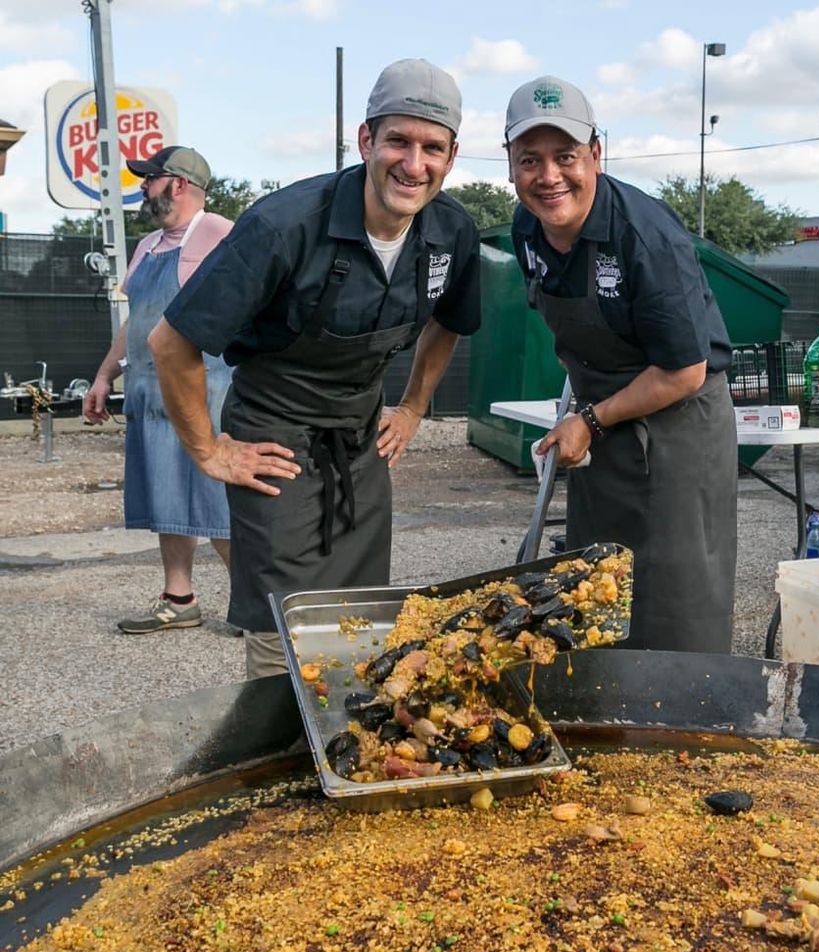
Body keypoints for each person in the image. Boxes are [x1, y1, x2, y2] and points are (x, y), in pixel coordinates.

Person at [148, 59, 481, 678]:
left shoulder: (450, 230)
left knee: (361, 613)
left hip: (358, 438)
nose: (414, 164)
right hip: (273, 436)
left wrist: (411, 407)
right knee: (287, 619)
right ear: (366, 140)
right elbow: (171, 343)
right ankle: (280, 746)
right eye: (398, 141)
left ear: (451, 155)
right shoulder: (283, 226)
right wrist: (209, 452)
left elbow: (452, 320)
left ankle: (344, 746)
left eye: (432, 147)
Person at [504, 76, 738, 653]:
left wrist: (592, 420)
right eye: (530, 159)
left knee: (674, 606)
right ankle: (605, 728)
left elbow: (684, 370)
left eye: (566, 156)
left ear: (596, 155)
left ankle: (683, 728)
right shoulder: (527, 229)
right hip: (602, 433)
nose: (549, 176)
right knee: (596, 596)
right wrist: (590, 419)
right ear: (510, 165)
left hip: (679, 430)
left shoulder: (645, 236)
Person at [84, 145, 234, 633]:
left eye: (150, 179)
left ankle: (256, 602)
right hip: (149, 391)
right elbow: (138, 320)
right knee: (167, 495)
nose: (143, 188)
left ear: (180, 185)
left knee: (218, 499)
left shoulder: (219, 235)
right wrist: (107, 374)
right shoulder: (148, 245)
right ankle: (180, 598)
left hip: (204, 390)